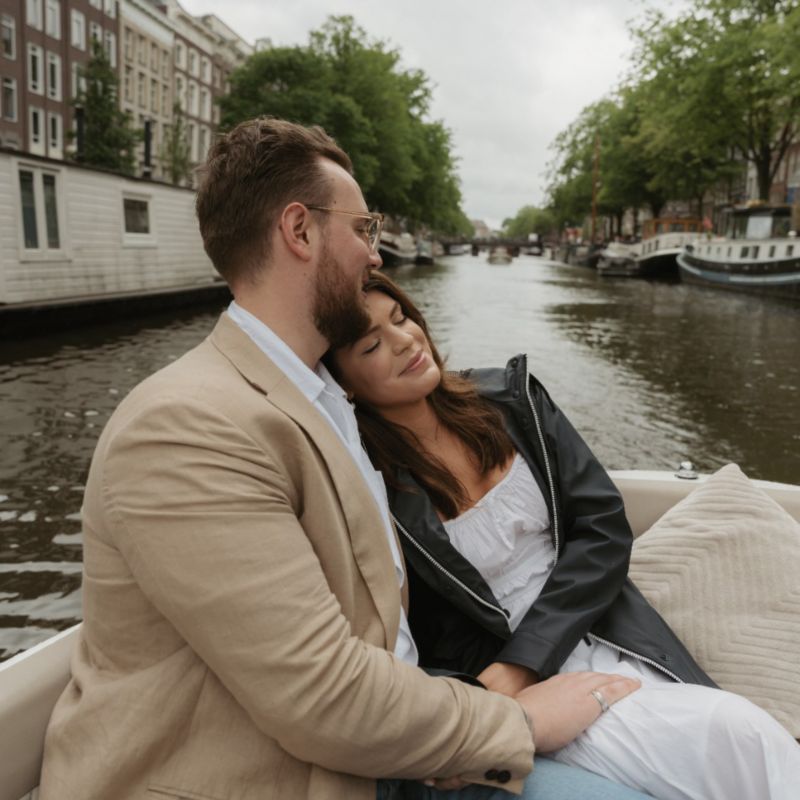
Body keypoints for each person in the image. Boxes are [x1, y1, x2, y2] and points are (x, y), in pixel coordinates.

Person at [38, 118, 652, 800]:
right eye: (363, 229)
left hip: (396, 734)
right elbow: (322, 696)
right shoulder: (186, 426)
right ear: (299, 231)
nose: (377, 256)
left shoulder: (326, 399)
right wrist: (518, 719)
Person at [326, 270, 800, 800]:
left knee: (744, 735)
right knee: (737, 740)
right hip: (508, 681)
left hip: (601, 623)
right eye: (372, 345)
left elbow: (603, 529)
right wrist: (496, 687)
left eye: (401, 317)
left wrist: (527, 660)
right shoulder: (369, 483)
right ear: (343, 383)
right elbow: (419, 630)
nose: (404, 340)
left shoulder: (514, 400)